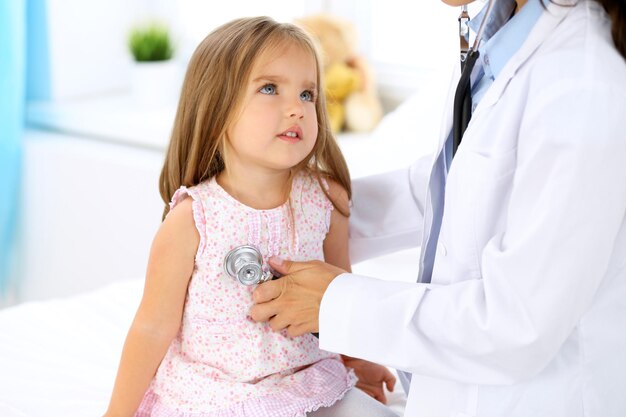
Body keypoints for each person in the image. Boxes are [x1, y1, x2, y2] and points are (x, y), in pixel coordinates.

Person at [250, 0, 626, 416]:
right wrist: (273, 211)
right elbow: (451, 184)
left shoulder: (582, 84)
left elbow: (518, 325)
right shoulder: (503, 30)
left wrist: (335, 304)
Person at [103, 16, 398, 417]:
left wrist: (357, 361)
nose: (296, 108)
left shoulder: (326, 200)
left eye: (308, 94)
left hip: (308, 382)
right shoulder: (194, 218)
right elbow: (152, 328)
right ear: (217, 106)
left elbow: (339, 296)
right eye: (270, 88)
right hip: (217, 398)